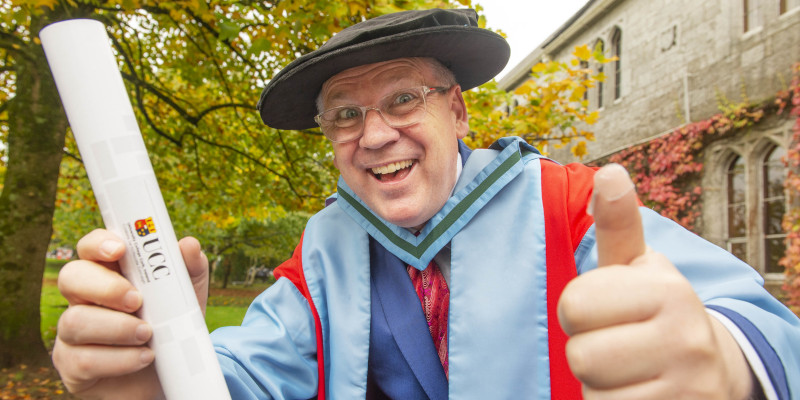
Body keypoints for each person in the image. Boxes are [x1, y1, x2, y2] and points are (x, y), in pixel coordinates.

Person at [52, 8, 799, 400]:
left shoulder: (566, 206)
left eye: (403, 98)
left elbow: (765, 331)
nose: (374, 134)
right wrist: (153, 374)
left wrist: (725, 368)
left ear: (460, 113)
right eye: (344, 114)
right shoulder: (321, 253)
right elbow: (248, 377)